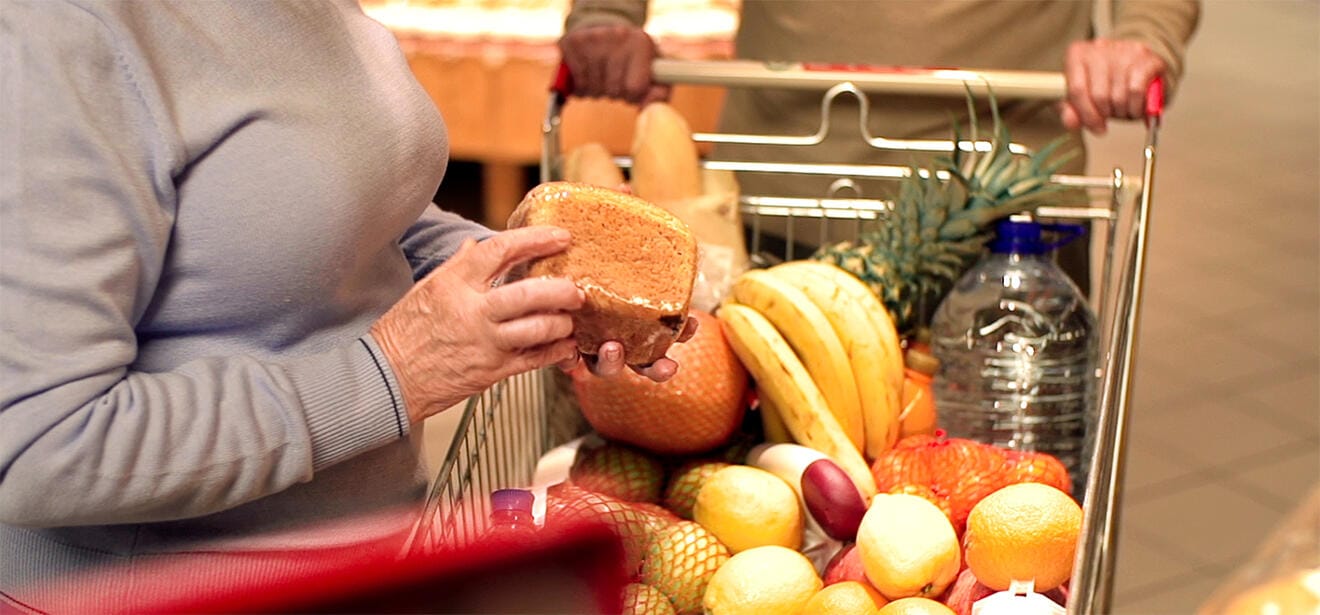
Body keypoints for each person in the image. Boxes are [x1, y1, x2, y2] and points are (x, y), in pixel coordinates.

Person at [0, 1, 689, 610]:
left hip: (372, 560)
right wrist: (390, 372)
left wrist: (527, 280)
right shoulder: (64, 35)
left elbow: (356, 204)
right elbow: (36, 447)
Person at [558, 0, 1200, 293]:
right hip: (778, 193)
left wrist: (1142, 35)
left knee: (1017, 510)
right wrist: (607, 14)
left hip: (1005, 221)